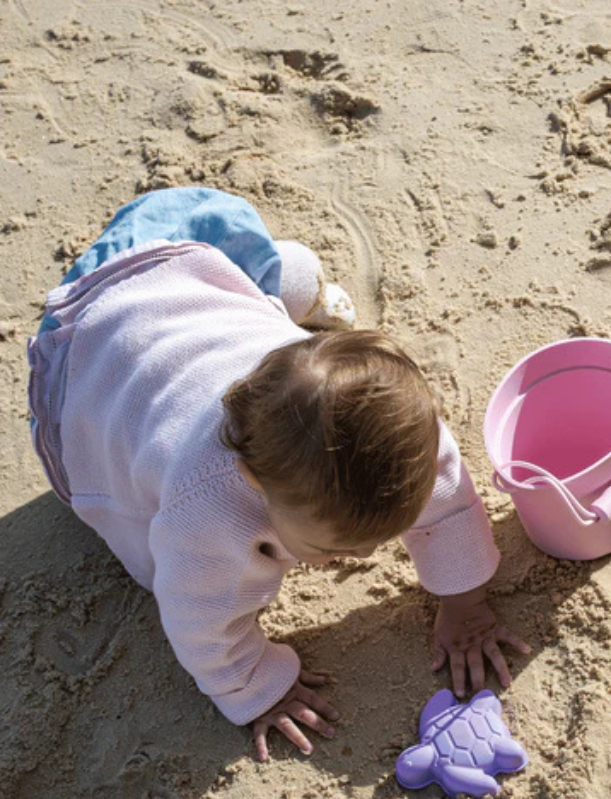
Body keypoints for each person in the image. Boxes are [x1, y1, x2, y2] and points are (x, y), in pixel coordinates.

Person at [26, 187, 529, 761]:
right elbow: (200, 621)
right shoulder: (207, 503)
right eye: (329, 548)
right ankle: (295, 278)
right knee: (135, 524)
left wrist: (466, 604)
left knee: (278, 278)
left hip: (196, 282)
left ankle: (296, 279)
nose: (363, 559)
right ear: (255, 482)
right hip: (86, 354)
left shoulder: (408, 429)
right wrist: (256, 688)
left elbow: (449, 501)